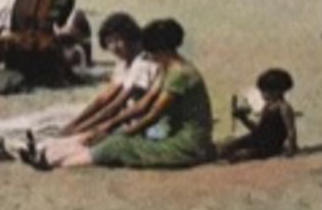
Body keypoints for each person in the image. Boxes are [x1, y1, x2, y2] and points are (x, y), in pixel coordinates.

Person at [18, 18, 213, 170]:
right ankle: (49, 154)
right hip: (172, 135)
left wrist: (118, 130)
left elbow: (153, 114)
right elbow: (143, 104)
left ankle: (56, 163)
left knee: (116, 145)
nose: (150, 57)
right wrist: (109, 126)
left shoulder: (179, 74)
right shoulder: (169, 68)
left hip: (187, 145)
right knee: (111, 135)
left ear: (162, 50)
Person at [0, 12, 157, 149]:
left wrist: (78, 124)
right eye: (110, 43)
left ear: (131, 37)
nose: (114, 47)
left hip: (125, 120)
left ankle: (8, 140)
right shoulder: (125, 62)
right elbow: (104, 98)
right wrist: (80, 120)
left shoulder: (141, 64)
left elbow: (116, 104)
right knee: (53, 114)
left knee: (58, 126)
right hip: (114, 113)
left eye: (119, 41)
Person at [219, 68, 299, 161]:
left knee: (239, 155)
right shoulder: (267, 107)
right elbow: (258, 129)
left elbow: (291, 130)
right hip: (257, 139)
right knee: (226, 148)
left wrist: (291, 147)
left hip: (269, 145)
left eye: (264, 91)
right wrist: (243, 119)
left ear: (277, 91)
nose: (262, 94)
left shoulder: (284, 108)